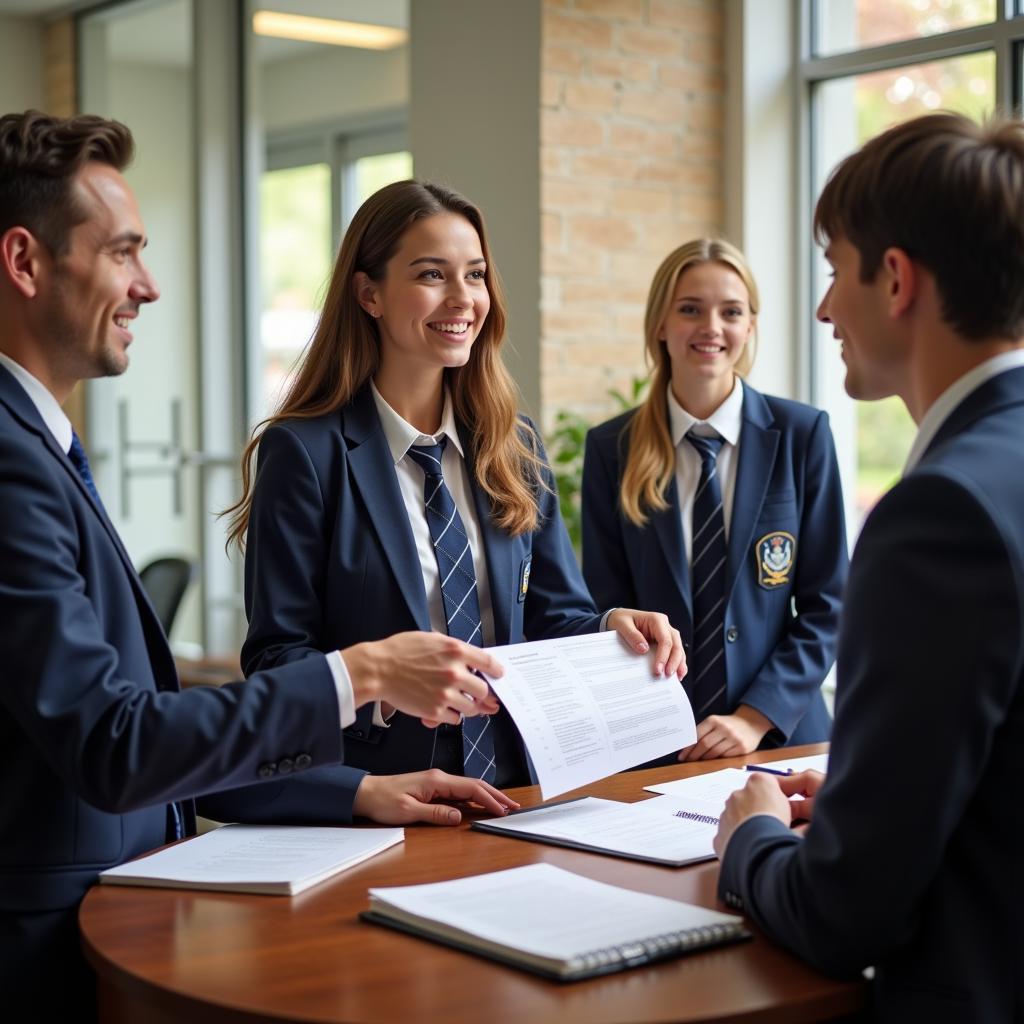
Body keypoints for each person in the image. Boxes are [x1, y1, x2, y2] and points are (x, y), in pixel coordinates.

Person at [0, 110, 518, 1015]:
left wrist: (357, 792)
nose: (148, 286)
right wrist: (358, 677)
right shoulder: (12, 457)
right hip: (42, 933)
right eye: (122, 253)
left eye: (473, 274)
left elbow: (133, 730)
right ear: (26, 263)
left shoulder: (40, 447)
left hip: (480, 811)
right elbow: (113, 742)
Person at [714, 112, 1024, 1021]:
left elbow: (846, 913)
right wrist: (867, 786)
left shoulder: (940, 514)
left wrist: (753, 839)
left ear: (895, 279)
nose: (821, 311)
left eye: (832, 271)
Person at [226, 179, 685, 788]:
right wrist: (384, 683)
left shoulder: (513, 443)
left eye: (475, 275)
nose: (463, 299)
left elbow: (553, 614)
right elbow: (277, 657)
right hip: (389, 792)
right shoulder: (304, 452)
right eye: (431, 275)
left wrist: (608, 627)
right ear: (369, 294)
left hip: (521, 787)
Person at [581, 239, 846, 763]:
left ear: (749, 326)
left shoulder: (801, 435)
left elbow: (830, 605)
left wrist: (753, 719)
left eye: (731, 312)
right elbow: (604, 603)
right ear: (660, 324)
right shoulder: (612, 448)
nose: (711, 327)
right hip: (657, 746)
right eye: (690, 310)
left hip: (782, 739)